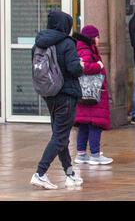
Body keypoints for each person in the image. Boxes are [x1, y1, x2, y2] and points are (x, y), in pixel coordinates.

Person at [30, 10, 84, 190]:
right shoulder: (66, 43)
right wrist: (80, 65)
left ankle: (70, 173)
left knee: (59, 135)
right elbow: (74, 69)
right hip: (66, 94)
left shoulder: (39, 42)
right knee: (60, 137)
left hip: (49, 94)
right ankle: (40, 173)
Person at [73, 25, 113, 165]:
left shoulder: (85, 49)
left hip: (86, 95)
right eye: (97, 36)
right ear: (91, 38)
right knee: (94, 124)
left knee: (84, 124)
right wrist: (99, 66)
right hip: (92, 95)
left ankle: (81, 154)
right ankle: (95, 155)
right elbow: (84, 67)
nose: (98, 39)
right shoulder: (85, 51)